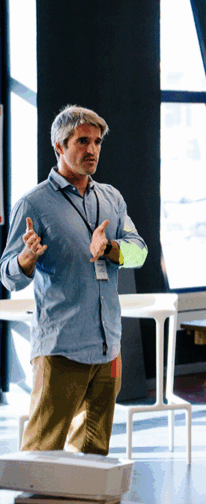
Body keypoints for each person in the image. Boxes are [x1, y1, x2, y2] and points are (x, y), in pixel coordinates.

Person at [0, 105, 148, 455]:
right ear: (59, 146)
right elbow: (7, 277)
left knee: (93, 453)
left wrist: (110, 248)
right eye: (82, 141)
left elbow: (139, 254)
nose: (92, 149)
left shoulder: (111, 198)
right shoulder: (34, 204)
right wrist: (26, 258)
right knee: (41, 454)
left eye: (97, 142)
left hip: (108, 348)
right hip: (60, 349)